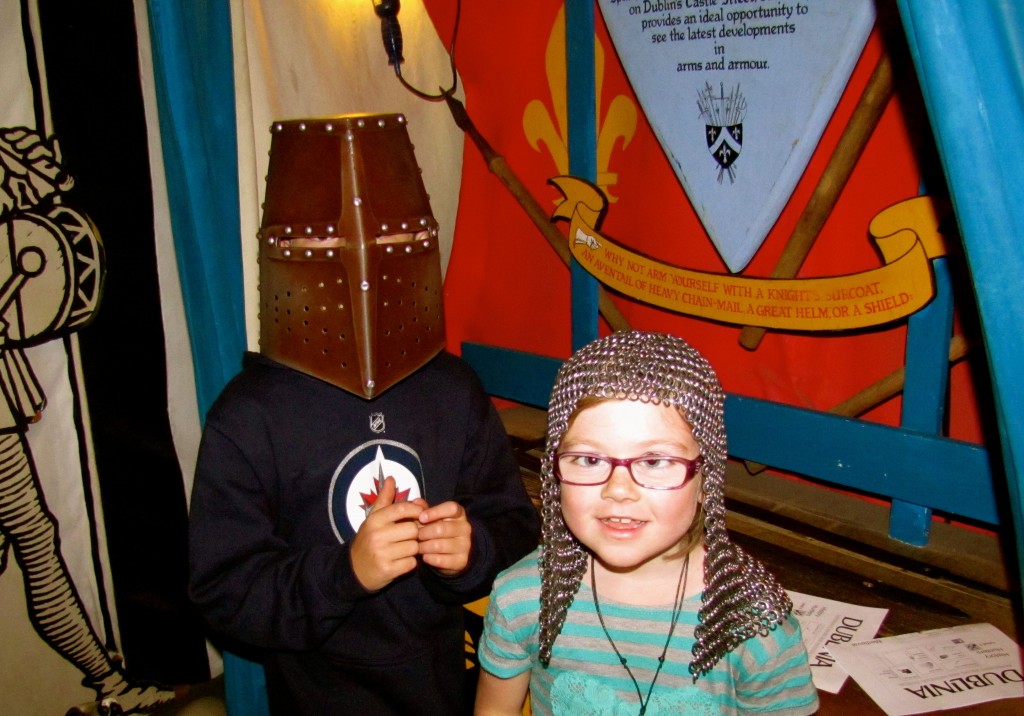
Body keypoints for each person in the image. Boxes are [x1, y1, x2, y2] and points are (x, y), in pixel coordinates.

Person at [188, 113, 539, 715]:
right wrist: (344, 573)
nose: (358, 267)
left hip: (441, 686)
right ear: (285, 255)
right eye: (321, 247)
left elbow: (515, 526)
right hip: (315, 696)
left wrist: (472, 550)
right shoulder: (248, 417)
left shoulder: (451, 391)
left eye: (387, 243)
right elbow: (225, 592)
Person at [475, 330, 819, 715]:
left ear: (708, 478)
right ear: (554, 470)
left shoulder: (751, 621)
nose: (618, 489)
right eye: (589, 460)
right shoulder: (523, 598)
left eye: (655, 461)